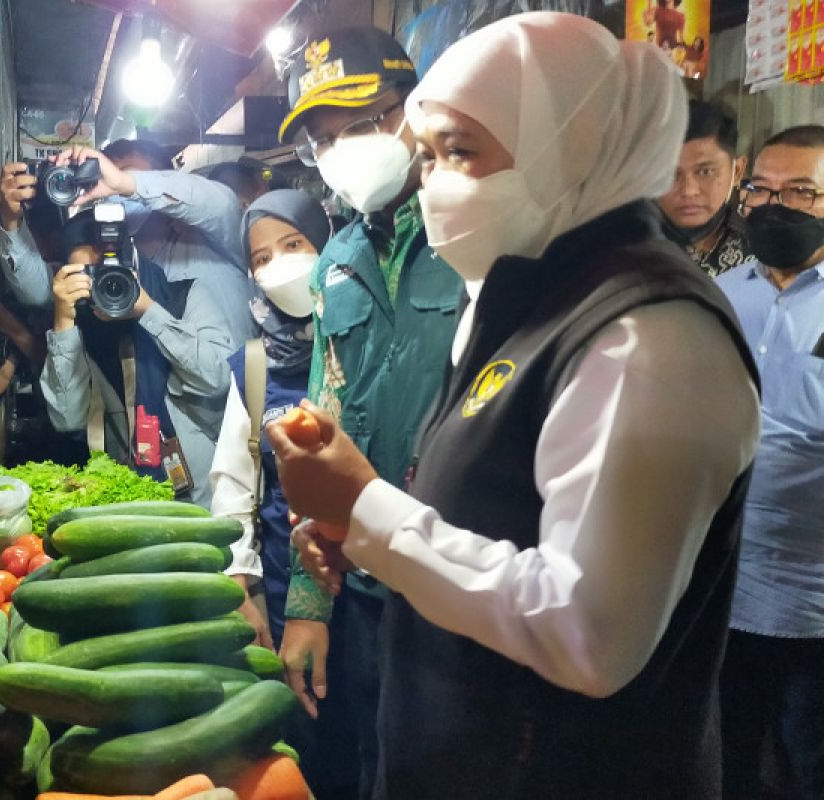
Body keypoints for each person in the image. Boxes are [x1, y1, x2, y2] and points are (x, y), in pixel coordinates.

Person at [269, 13, 760, 798]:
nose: (431, 181)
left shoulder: (646, 337)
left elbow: (588, 632)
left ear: (573, 142)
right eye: (426, 157)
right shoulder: (525, 292)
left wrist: (370, 515)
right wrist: (355, 530)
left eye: (459, 151)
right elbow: (490, 509)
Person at [276, 26, 465, 800]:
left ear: (414, 113)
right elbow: (325, 422)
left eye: (361, 124)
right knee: (367, 771)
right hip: (361, 585)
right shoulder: (338, 260)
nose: (343, 150)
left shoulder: (477, 236)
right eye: (323, 140)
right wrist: (307, 603)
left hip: (465, 586)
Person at [38, 145, 253, 507]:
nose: (101, 286)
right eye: (86, 276)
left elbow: (216, 380)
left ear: (131, 262)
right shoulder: (80, 323)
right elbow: (67, 417)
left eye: (109, 274)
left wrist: (147, 311)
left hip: (205, 497)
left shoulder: (183, 295)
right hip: (127, 500)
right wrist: (63, 320)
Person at [715, 124, 824, 800]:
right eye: (761, 189)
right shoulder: (721, 295)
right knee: (728, 763)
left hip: (817, 609)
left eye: (803, 191)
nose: (775, 205)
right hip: (726, 589)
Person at [210, 189, 331, 651]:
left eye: (295, 244)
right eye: (262, 257)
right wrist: (237, 585)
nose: (279, 265)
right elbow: (235, 485)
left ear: (327, 242)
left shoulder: (365, 339)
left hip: (370, 585)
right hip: (286, 591)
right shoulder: (255, 366)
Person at [657, 100, 751, 276]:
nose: (688, 190)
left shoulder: (762, 248)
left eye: (705, 171)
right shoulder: (620, 245)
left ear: (737, 171)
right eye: (670, 174)